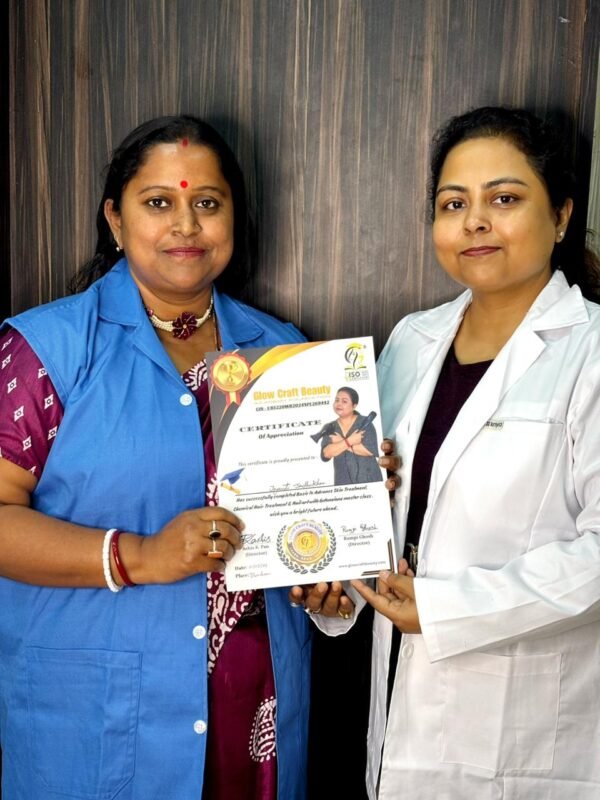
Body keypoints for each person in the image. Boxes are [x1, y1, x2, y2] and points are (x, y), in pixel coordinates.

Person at [0, 114, 351, 800]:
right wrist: (139, 555)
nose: (185, 224)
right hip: (95, 714)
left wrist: (348, 508)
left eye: (207, 203)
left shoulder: (285, 353)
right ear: (115, 218)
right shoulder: (49, 350)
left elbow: (315, 538)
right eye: (158, 202)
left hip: (252, 709)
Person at [352, 106, 600, 799]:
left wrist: (444, 609)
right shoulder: (412, 340)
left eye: (505, 199)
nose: (475, 222)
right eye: (453, 204)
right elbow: (380, 504)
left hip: (528, 732)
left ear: (561, 216)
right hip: (399, 710)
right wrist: (336, 582)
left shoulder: (590, 351)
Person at [319, 387, 381, 485]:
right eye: (337, 400)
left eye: (344, 401)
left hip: (369, 479)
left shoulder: (365, 422)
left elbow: (369, 451)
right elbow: (326, 453)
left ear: (354, 405)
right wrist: (350, 441)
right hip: (343, 482)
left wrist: (340, 442)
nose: (339, 404)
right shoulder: (330, 427)